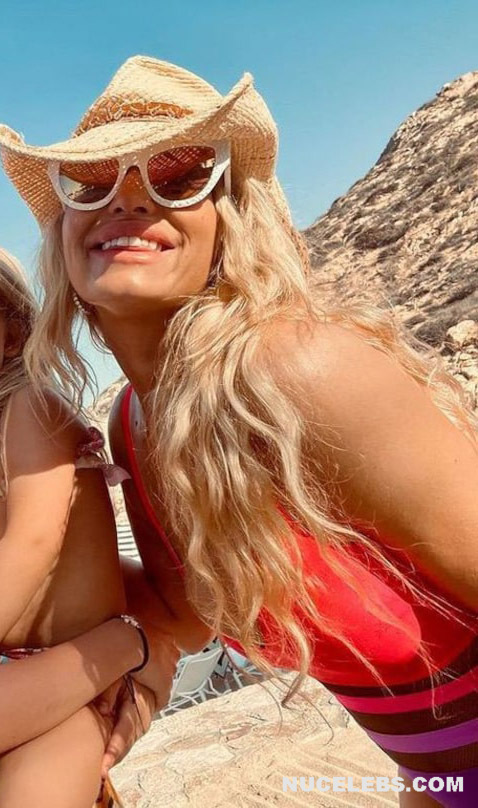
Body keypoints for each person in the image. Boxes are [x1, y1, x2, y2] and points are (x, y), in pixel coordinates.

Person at [1, 55, 478, 807]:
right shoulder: (136, 425)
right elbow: (181, 616)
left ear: (230, 219)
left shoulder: (296, 374)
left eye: (180, 174)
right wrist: (128, 677)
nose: (130, 198)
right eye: (91, 181)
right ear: (64, 228)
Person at [0, 248, 179, 807]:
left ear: (12, 334)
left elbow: (32, 543)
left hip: (73, 671)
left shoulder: (28, 408)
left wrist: (138, 639)